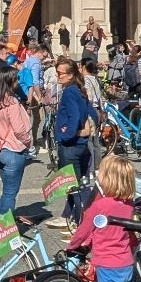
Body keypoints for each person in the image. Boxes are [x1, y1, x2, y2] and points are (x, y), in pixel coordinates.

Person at [72, 152, 138, 282]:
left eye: (100, 173)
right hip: (126, 262)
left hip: (107, 263)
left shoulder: (100, 206)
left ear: (109, 179)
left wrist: (72, 246)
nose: (97, 176)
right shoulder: (128, 204)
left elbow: (84, 230)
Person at [0, 69, 35, 216]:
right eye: (16, 79)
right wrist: (28, 142)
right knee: (10, 193)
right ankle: (5, 227)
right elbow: (19, 129)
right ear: (11, 81)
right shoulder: (12, 102)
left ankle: (0, 221)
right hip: (14, 150)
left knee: (6, 191)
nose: (17, 82)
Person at [51, 58, 97, 223]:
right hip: (81, 145)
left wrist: (66, 135)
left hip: (71, 146)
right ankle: (67, 216)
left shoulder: (70, 91)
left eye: (60, 73)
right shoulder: (79, 89)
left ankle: (81, 224)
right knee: (80, 184)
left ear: (70, 75)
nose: (58, 76)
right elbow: (94, 113)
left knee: (75, 187)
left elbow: (75, 116)